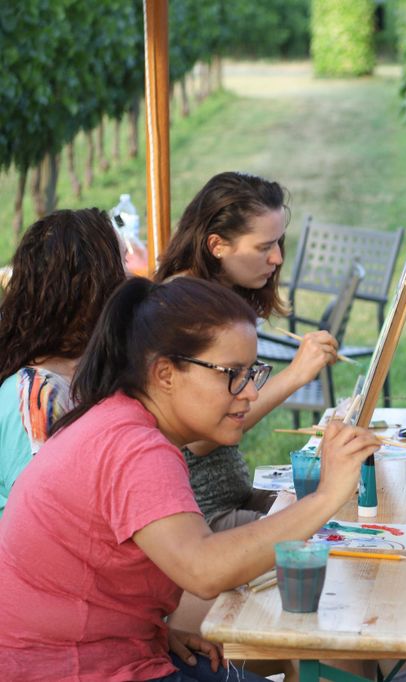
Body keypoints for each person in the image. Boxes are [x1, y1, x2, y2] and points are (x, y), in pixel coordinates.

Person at [0, 277, 380, 681]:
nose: (250, 391)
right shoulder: (134, 447)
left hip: (90, 653)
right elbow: (203, 571)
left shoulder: (120, 419)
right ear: (165, 373)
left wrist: (155, 633)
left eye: (253, 372)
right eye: (231, 373)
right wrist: (324, 498)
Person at [155, 171, 341, 530]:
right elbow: (201, 440)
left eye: (278, 243)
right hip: (202, 516)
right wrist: (295, 375)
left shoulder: (220, 295)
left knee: (340, 512)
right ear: (217, 245)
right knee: (323, 534)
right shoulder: (183, 304)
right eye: (263, 247)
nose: (277, 259)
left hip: (232, 497)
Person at [0, 208, 126, 517]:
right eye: (122, 262)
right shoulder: (36, 395)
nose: (130, 276)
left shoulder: (81, 373)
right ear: (93, 285)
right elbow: (44, 521)